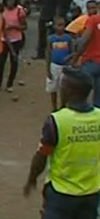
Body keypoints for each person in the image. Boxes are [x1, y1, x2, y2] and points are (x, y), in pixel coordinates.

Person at [24, 67, 100, 219]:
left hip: (61, 193)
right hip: (91, 192)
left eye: (62, 86)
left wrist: (31, 179)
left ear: (69, 90)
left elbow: (42, 156)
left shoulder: (57, 121)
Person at [47, 16, 73, 111]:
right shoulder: (51, 39)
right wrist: (48, 70)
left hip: (65, 66)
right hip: (54, 65)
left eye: (63, 25)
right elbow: (48, 53)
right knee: (53, 87)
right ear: (54, 26)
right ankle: (54, 107)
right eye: (59, 25)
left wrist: (70, 60)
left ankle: (63, 105)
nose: (61, 28)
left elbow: (72, 52)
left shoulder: (68, 38)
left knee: (64, 87)